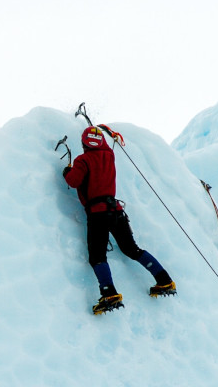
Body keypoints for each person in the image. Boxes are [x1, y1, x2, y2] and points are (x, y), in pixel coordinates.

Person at [63, 126, 176, 314]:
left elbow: (73, 181)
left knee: (97, 256)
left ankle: (109, 293)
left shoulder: (83, 160)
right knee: (132, 249)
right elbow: (105, 148)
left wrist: (67, 171)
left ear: (84, 144)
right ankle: (164, 280)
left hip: (98, 214)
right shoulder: (109, 156)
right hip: (116, 211)